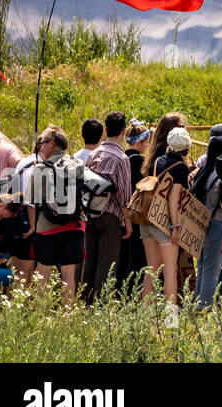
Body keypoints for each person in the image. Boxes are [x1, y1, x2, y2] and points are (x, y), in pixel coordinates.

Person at [23, 126, 85, 303]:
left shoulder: (40, 168)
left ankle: (41, 315)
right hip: (74, 226)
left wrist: (33, 226)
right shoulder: (78, 164)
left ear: (52, 143)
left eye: (42, 142)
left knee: (43, 274)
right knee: (68, 275)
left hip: (46, 227)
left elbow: (31, 200)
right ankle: (67, 314)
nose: (39, 146)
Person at [80, 111, 133, 303]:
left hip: (91, 212)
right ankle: (100, 304)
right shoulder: (121, 158)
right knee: (107, 261)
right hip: (111, 216)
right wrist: (128, 222)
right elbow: (124, 195)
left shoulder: (95, 154)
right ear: (123, 132)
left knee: (91, 259)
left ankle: (85, 300)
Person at [148, 127, 193, 311]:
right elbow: (173, 199)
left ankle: (145, 318)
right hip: (165, 224)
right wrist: (176, 227)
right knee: (170, 272)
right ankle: (170, 322)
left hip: (149, 220)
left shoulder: (157, 161)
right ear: (186, 148)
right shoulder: (181, 168)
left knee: (151, 271)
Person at [190, 128, 222, 308]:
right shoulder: (220, 176)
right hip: (216, 224)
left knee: (201, 266)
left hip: (202, 223)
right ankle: (205, 307)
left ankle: (198, 304)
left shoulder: (204, 171)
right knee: (212, 268)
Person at [116, 121, 150, 295]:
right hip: (136, 213)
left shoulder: (122, 158)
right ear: (138, 142)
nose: (147, 146)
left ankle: (120, 291)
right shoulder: (140, 162)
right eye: (146, 142)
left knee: (122, 255)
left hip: (120, 213)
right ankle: (133, 293)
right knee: (136, 257)